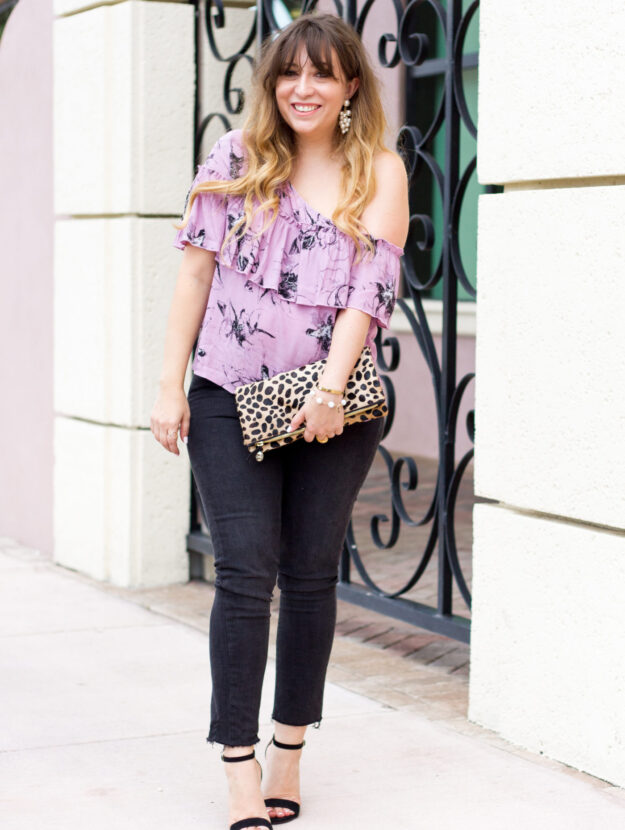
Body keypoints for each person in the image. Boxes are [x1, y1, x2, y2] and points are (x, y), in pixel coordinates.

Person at [150, 12, 409, 830]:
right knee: (243, 568)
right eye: (290, 73)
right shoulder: (235, 156)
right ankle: (238, 763)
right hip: (227, 391)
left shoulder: (380, 170)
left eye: (323, 74)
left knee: (307, 575)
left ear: (350, 87)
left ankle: (289, 750)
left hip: (332, 403)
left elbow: (369, 295)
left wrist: (328, 393)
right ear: (273, 83)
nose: (304, 88)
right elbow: (194, 275)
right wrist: (169, 386)